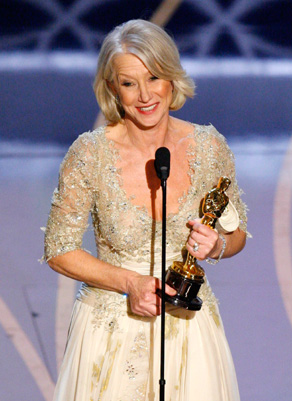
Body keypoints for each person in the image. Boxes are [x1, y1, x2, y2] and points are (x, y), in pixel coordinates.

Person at [44, 19, 248, 401]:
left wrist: (216, 245)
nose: (144, 95)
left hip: (189, 327)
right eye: (128, 83)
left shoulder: (208, 147)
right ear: (111, 88)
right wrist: (129, 283)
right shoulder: (89, 154)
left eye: (153, 77)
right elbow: (59, 249)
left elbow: (236, 234)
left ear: (171, 78)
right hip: (110, 332)